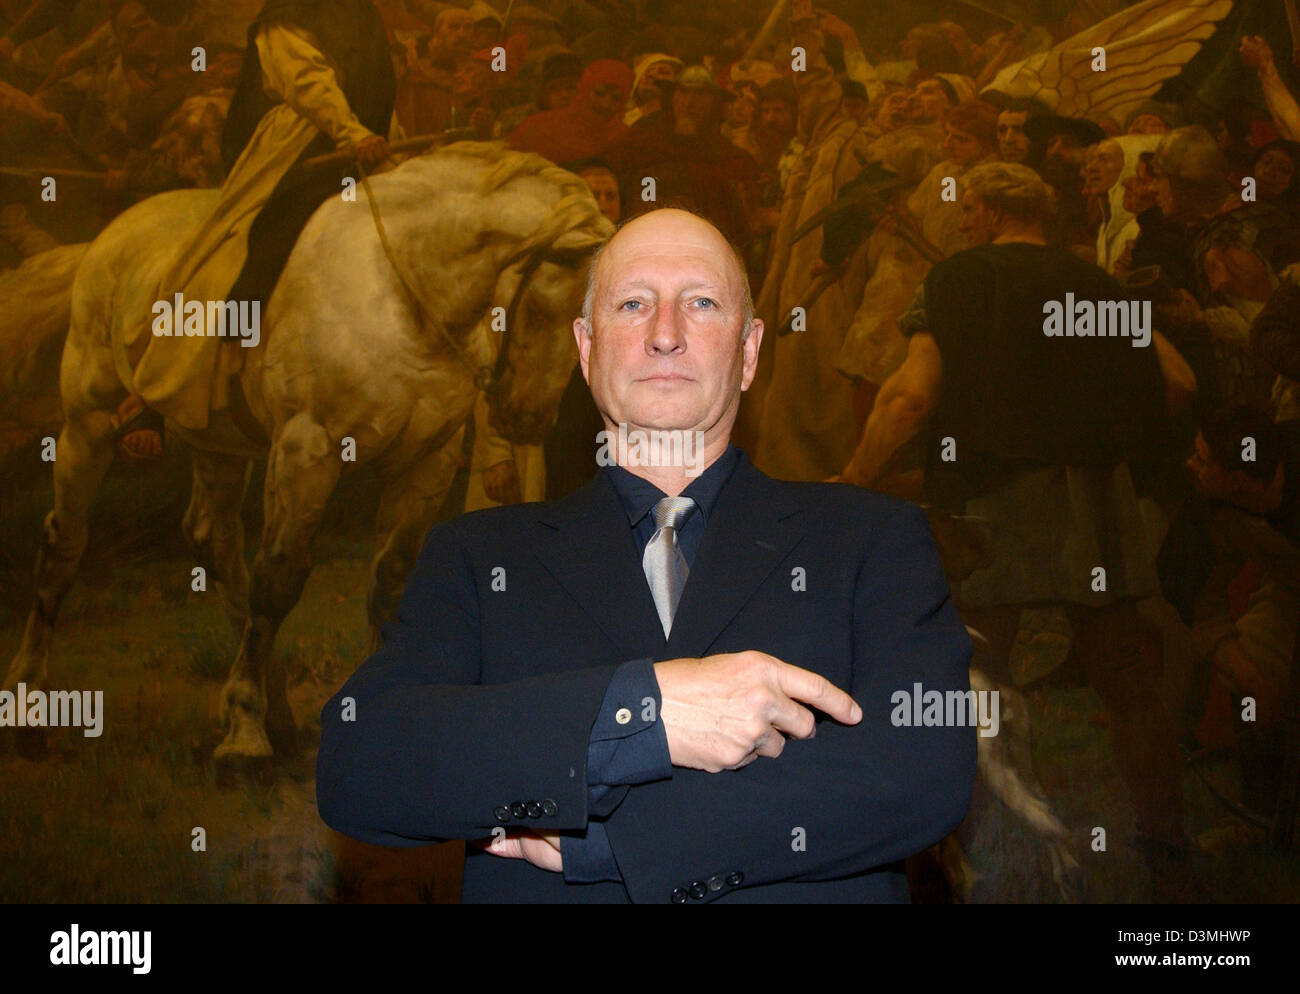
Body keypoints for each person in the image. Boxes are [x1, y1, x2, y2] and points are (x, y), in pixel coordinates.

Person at [316, 207, 976, 903]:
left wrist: (610, 845)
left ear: (749, 353)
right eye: (633, 304)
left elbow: (921, 769)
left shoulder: (871, 538)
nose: (666, 334)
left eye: (701, 303)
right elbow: (363, 761)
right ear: (585, 348)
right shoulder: (479, 556)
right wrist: (641, 711)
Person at [833, 162, 1202, 899]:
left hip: (994, 503)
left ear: (986, 211)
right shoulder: (1094, 283)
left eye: (968, 209)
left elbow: (909, 398)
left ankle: (963, 859)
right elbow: (1179, 384)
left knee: (974, 674)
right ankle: (1170, 859)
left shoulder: (961, 280)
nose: (964, 222)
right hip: (1096, 502)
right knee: (1127, 677)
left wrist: (853, 480)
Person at [115, 0, 397, 458]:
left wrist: (379, 141)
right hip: (302, 144)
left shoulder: (363, 15)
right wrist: (352, 134)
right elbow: (306, 82)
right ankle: (158, 391)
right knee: (238, 250)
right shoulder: (286, 16)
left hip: (363, 145)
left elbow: (376, 90)